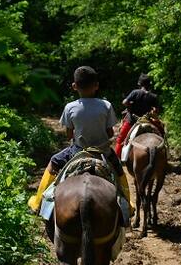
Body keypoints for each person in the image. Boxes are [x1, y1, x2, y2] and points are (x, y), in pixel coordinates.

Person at [27, 66, 132, 214]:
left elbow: (69, 136)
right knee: (119, 171)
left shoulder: (70, 107)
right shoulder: (106, 105)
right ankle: (128, 205)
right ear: (96, 85)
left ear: (74, 86)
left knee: (53, 161)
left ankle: (38, 203)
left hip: (77, 151)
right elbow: (109, 133)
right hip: (103, 152)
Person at [114, 73, 164, 160]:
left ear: (139, 84)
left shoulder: (135, 92)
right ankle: (164, 152)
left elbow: (125, 102)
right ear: (149, 84)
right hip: (147, 120)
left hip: (132, 121)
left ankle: (118, 161)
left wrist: (130, 106)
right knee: (161, 132)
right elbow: (156, 111)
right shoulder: (153, 96)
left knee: (120, 139)